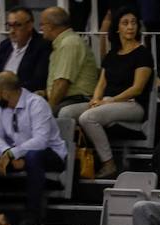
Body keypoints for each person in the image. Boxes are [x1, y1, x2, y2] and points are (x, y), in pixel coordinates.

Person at [65, 8, 154, 177]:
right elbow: (102, 82)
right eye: (125, 23)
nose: (130, 27)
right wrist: (95, 99)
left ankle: (108, 163)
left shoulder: (143, 54)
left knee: (87, 117)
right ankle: (72, 162)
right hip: (107, 101)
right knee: (66, 112)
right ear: (117, 28)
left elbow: (137, 88)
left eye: (133, 23)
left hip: (132, 104)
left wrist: (110, 101)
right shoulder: (112, 54)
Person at [0, 71, 68, 225]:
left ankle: (33, 214)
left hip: (50, 154)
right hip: (17, 153)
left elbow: (40, 141)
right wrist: (8, 153)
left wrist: (12, 154)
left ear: (6, 93)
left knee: (33, 157)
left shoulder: (36, 104)